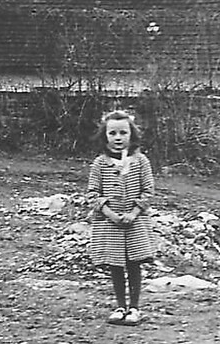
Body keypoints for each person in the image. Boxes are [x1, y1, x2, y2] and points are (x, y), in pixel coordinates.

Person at [88, 110, 156, 326]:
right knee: (115, 265)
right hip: (111, 224)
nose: (118, 138)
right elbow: (92, 194)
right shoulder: (100, 163)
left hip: (135, 224)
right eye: (113, 133)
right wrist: (109, 214)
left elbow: (148, 191)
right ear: (105, 136)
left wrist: (134, 213)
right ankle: (119, 306)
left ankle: (134, 308)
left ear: (131, 135)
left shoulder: (140, 161)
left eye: (123, 133)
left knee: (134, 264)